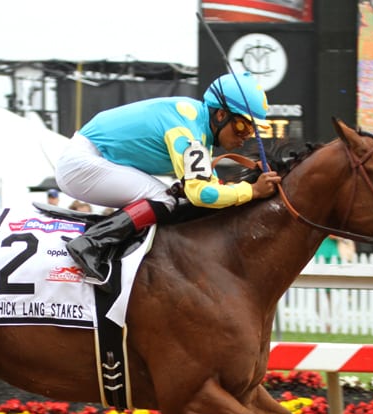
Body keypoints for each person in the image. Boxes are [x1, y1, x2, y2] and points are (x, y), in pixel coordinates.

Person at [54, 71, 282, 282]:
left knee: (172, 198)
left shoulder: (199, 129)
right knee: (164, 198)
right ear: (221, 114)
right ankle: (90, 244)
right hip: (81, 164)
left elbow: (215, 189)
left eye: (251, 131)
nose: (245, 137)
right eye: (242, 126)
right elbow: (203, 195)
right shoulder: (188, 132)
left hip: (92, 158)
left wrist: (251, 182)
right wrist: (252, 191)